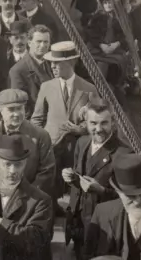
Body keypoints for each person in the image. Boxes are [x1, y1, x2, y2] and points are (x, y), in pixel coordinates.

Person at [62, 100, 131, 260]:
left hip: (103, 230)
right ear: (85, 123)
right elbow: (80, 177)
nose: (98, 129)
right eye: (93, 123)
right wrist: (70, 178)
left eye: (104, 123)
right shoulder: (81, 143)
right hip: (78, 223)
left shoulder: (123, 153)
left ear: (113, 123)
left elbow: (130, 199)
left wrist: (101, 191)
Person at [31, 41, 97, 208]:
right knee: (50, 184)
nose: (52, 67)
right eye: (51, 63)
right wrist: (38, 142)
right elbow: (37, 119)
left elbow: (96, 121)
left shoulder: (88, 89)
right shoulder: (46, 87)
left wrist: (80, 129)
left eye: (57, 63)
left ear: (71, 63)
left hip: (78, 146)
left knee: (76, 182)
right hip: (52, 145)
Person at [0, 88, 55, 197]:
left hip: (29, 199)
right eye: (11, 109)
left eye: (20, 109)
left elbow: (47, 171)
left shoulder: (40, 135)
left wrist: (25, 195)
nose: (16, 114)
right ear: (1, 111)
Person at [9, 24, 54, 115]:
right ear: (29, 43)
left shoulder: (52, 63)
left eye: (46, 42)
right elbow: (22, 107)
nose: (42, 45)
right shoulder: (18, 70)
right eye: (39, 41)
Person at [85, 0, 129, 84]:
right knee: (102, 63)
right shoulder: (96, 18)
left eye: (110, 2)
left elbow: (126, 34)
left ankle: (117, 84)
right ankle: (100, 85)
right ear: (102, 4)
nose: (108, 5)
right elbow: (90, 35)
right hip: (98, 48)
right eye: (105, 3)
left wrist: (116, 44)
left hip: (114, 47)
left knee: (122, 59)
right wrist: (101, 45)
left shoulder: (120, 18)